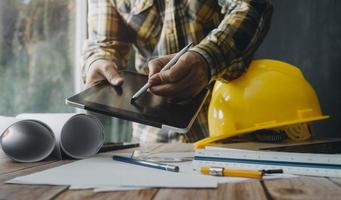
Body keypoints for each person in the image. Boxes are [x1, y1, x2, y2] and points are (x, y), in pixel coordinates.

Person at [82, 0, 273, 143]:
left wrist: (206, 59)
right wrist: (97, 61)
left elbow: (251, 7)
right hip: (152, 140)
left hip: (230, 127)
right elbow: (104, 44)